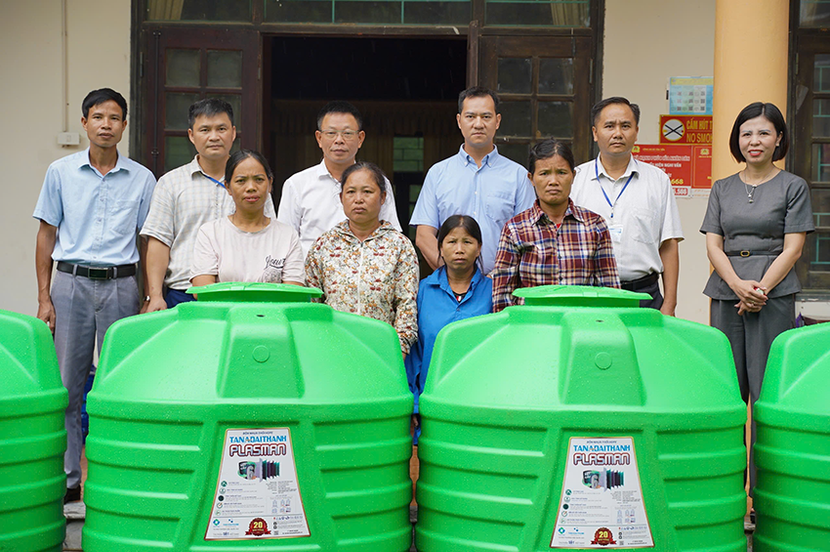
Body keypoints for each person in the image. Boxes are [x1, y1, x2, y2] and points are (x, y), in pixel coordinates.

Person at [33, 88, 156, 503]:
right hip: (70, 285)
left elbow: (146, 240)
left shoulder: (142, 178)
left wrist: (147, 293)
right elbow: (46, 233)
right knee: (68, 386)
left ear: (124, 125)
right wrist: (44, 297)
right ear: (84, 122)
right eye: (98, 117)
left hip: (122, 285)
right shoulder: (61, 171)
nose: (106, 124)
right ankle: (69, 480)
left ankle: (113, 476)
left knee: (120, 384)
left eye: (115, 117)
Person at [700, 101, 814, 493]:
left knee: (766, 395)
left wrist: (760, 288)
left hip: (774, 294)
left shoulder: (793, 186)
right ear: (738, 138)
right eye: (747, 132)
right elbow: (714, 246)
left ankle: (765, 498)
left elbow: (794, 247)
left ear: (778, 138)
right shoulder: (722, 188)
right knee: (728, 393)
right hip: (726, 291)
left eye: (764, 133)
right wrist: (736, 285)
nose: (754, 140)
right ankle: (727, 493)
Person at [141, 98, 276, 309]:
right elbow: (159, 241)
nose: (214, 137)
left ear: (233, 133)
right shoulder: (171, 183)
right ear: (191, 135)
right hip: (183, 293)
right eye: (205, 129)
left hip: (242, 294)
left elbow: (269, 234)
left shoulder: (254, 182)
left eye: (221, 128)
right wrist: (155, 296)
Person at [570, 97, 683, 314]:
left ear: (636, 131)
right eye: (609, 126)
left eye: (625, 126)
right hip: (590, 295)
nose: (618, 133)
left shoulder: (657, 180)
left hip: (644, 295)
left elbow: (668, 245)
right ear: (595, 133)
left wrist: (670, 303)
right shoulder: (576, 180)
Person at [410, 86, 536, 275]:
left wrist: (496, 278)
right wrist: (451, 273)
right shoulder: (438, 173)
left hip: (501, 287)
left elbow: (528, 237)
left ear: (497, 121)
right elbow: (423, 235)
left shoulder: (518, 176)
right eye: (470, 117)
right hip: (450, 289)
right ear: (459, 121)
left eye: (486, 117)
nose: (478, 124)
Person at [305, 162, 418, 357]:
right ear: (341, 198)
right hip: (333, 351)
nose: (358, 199)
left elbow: (406, 306)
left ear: (382, 197)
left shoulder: (400, 246)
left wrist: (398, 352)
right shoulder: (323, 246)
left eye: (367, 192)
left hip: (383, 352)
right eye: (350, 192)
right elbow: (312, 303)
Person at [492, 139, 620, 312]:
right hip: (531, 327)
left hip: (582, 327)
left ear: (573, 176)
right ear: (531, 178)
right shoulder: (515, 229)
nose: (553, 181)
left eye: (561, 172)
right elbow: (503, 296)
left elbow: (609, 291)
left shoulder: (595, 226)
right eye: (544, 173)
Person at [277, 101, 401, 256]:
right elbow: (283, 241)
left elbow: (391, 235)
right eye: (331, 133)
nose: (339, 140)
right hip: (310, 277)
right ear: (319, 138)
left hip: (366, 275)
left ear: (360, 138)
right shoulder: (297, 184)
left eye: (347, 133)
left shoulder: (378, 182)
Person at [405, 215, 492, 415]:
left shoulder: (492, 292)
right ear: (441, 248)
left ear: (479, 247)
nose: (459, 249)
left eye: (467, 242)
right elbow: (414, 353)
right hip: (431, 403)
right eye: (452, 242)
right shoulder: (423, 291)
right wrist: (415, 405)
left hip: (479, 402)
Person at [191, 150, 304, 286]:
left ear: (270, 184)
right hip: (222, 308)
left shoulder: (287, 235)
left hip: (273, 308)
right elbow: (202, 290)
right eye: (241, 181)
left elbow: (293, 291)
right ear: (228, 187)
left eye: (259, 180)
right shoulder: (210, 233)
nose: (251, 187)